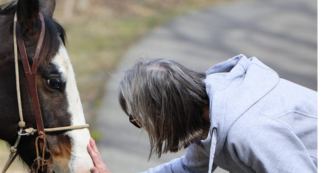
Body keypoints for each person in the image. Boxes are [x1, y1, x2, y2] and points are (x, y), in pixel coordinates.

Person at [87, 54, 317, 173]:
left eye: (138, 120)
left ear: (165, 111)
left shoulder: (249, 129)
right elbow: (188, 169)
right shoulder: (211, 117)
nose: (143, 128)